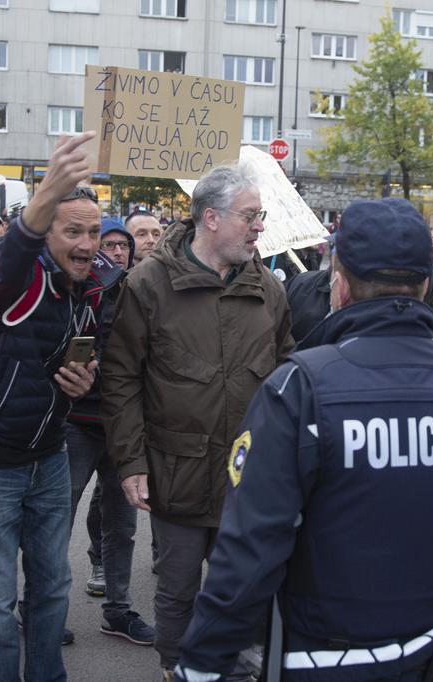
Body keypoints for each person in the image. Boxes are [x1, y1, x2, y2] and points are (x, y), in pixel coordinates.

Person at [172, 198, 433, 682]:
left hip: (325, 656)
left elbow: (248, 553)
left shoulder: (298, 389)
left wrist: (202, 666)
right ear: (424, 284)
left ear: (339, 283)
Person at [102, 163, 294, 681]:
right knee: (179, 587)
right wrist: (130, 461)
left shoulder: (269, 289)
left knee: (247, 587)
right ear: (211, 217)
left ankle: (238, 670)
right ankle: (175, 668)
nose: (260, 226)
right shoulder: (148, 283)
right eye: (251, 216)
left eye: (261, 216)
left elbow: (286, 376)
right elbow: (121, 379)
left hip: (251, 476)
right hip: (177, 468)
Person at [0, 133, 121, 681]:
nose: (87, 243)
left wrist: (79, 379)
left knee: (52, 591)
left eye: (94, 232)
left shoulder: (89, 287)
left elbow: (61, 359)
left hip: (49, 458)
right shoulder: (14, 274)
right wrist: (47, 191)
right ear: (45, 232)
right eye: (73, 231)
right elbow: (2, 268)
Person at [63, 215, 156, 645]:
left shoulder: (143, 291)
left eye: (123, 246)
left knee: (122, 525)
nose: (117, 252)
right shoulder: (79, 286)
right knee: (56, 520)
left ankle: (117, 610)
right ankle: (40, 607)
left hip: (123, 428)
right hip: (78, 424)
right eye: (110, 244)